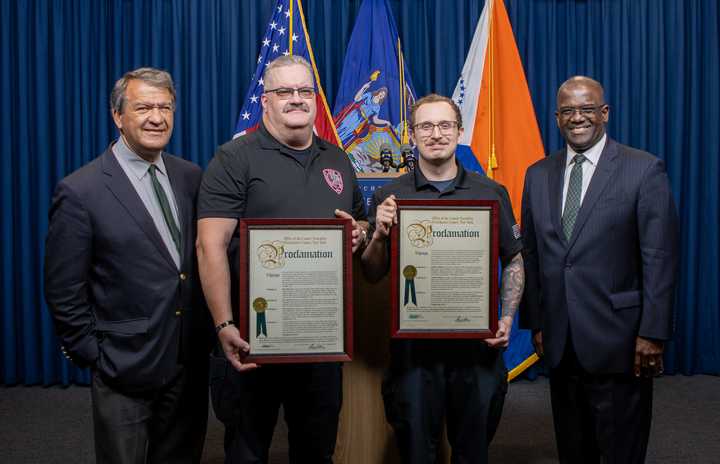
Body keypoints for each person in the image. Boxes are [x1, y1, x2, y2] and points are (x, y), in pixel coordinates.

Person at [196, 55, 368, 463]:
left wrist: (359, 231)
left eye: (305, 91)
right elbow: (210, 246)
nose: (296, 99)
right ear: (265, 100)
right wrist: (224, 324)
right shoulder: (234, 158)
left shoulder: (338, 159)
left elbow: (357, 220)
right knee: (246, 451)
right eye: (284, 91)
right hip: (252, 340)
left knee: (316, 450)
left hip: (320, 340)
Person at [44, 67, 210, 464]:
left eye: (165, 106)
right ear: (118, 116)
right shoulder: (80, 190)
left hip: (187, 360)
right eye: (144, 107)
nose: (157, 117)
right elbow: (62, 288)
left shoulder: (190, 176)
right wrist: (93, 353)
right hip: (123, 366)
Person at [520, 76, 679, 463]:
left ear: (604, 113)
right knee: (573, 449)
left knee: (620, 450)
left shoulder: (643, 169)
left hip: (621, 341)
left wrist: (653, 333)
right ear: (557, 118)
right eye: (568, 111)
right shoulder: (537, 174)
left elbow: (659, 256)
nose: (578, 118)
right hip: (560, 339)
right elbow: (532, 254)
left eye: (587, 109)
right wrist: (537, 323)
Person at [361, 94, 525, 464]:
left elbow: (514, 259)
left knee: (473, 452)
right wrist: (380, 234)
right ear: (412, 135)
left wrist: (507, 318)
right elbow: (372, 272)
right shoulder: (390, 195)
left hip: (477, 353)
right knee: (418, 453)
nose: (436, 134)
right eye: (426, 126)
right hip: (415, 356)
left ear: (459, 131)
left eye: (445, 125)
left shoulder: (491, 192)